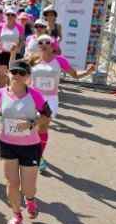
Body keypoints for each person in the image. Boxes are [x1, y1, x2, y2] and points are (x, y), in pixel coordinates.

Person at [0, 59, 51, 224]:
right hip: (7, 143)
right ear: (8, 73)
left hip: (30, 146)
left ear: (28, 76)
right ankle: (16, 215)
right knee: (12, 183)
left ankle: (31, 200)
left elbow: (47, 114)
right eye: (14, 72)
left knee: (27, 187)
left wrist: (32, 123)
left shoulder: (34, 95)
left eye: (22, 73)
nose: (17, 76)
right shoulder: (0, 93)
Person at [28, 35, 94, 173]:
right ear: (38, 45)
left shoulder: (59, 61)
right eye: (41, 42)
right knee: (33, 129)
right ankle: (33, 151)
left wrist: (88, 72)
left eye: (47, 42)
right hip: (34, 98)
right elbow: (22, 77)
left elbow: (75, 75)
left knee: (43, 125)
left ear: (53, 46)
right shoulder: (33, 60)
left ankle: (38, 157)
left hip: (50, 99)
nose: (44, 44)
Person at [0, 8, 24, 88]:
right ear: (5, 15)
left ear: (15, 16)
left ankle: (10, 97)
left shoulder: (19, 27)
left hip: (14, 55)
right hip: (2, 54)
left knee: (11, 78)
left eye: (12, 15)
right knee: (1, 77)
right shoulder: (0, 26)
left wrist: (18, 49)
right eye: (8, 14)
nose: (10, 16)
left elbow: (21, 40)